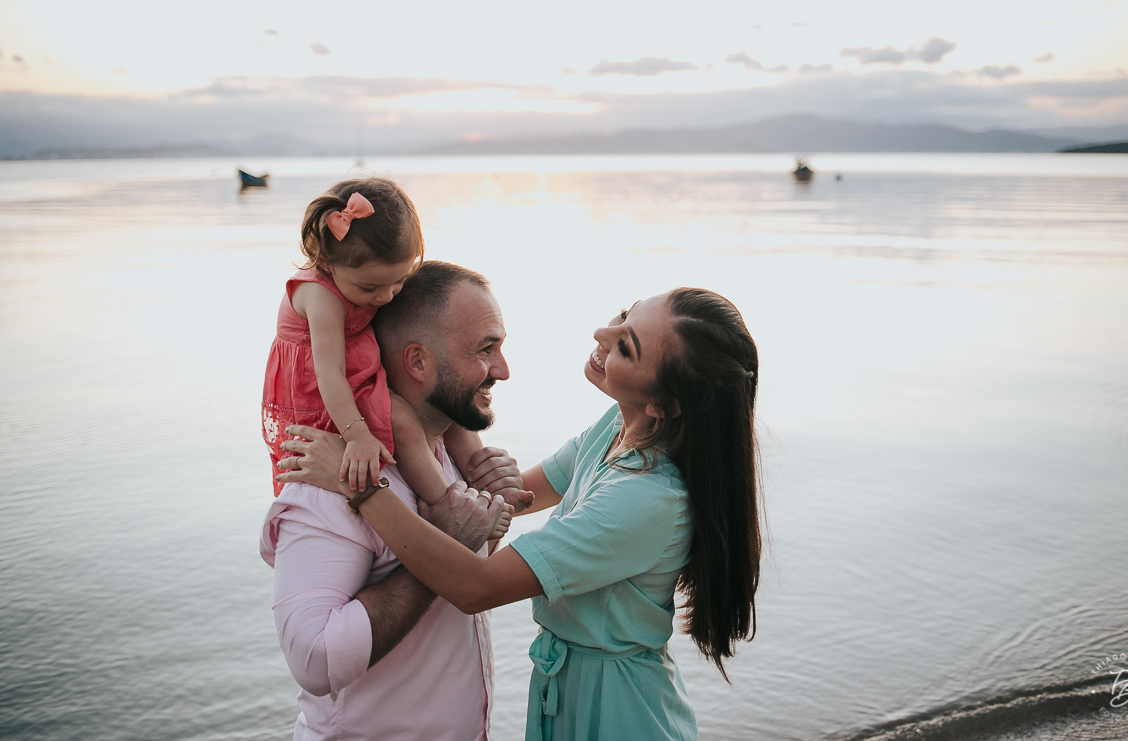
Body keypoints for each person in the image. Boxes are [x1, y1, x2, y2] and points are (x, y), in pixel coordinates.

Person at [276, 287, 763, 740]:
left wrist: (359, 487)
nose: (602, 334)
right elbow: (517, 494)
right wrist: (433, 424)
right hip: (564, 684)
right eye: (624, 314)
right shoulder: (617, 431)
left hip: (616, 704)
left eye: (626, 347)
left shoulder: (645, 499)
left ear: (662, 403)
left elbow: (477, 587)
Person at [261, 261, 527, 741]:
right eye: (486, 350)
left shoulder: (447, 454)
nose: (503, 370)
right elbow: (314, 659)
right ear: (418, 362)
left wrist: (495, 494)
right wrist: (444, 549)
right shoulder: (335, 478)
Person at [261, 176, 475, 509]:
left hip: (359, 375)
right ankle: (449, 507)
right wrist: (357, 435)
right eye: (370, 288)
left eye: (398, 281)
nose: (386, 295)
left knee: (438, 403)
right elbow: (330, 374)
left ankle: (479, 472)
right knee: (402, 420)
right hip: (320, 392)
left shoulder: (365, 280)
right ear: (326, 262)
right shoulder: (320, 296)